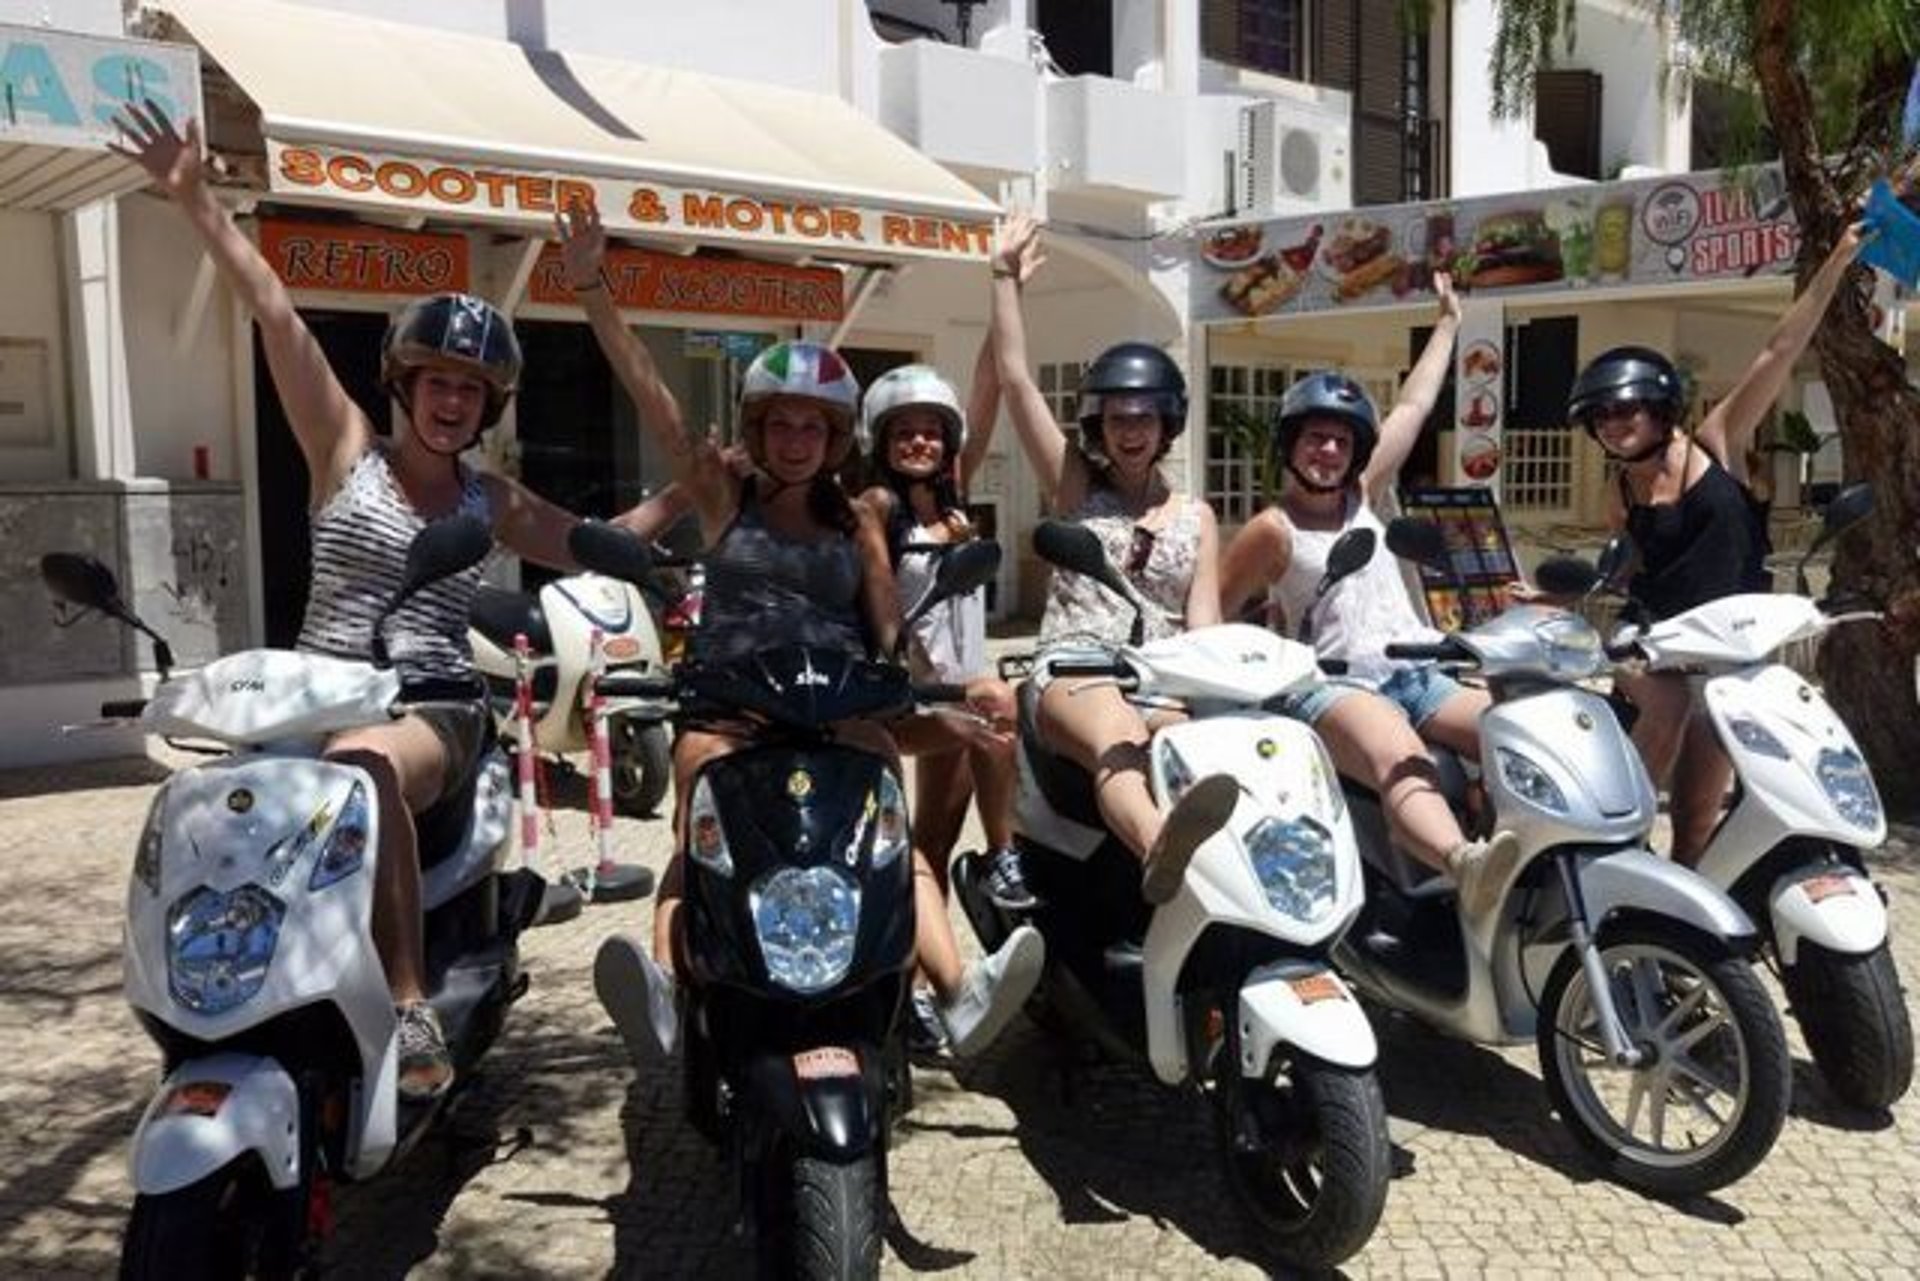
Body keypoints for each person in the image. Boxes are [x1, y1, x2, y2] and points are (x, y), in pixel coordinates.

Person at [111, 102, 687, 1101]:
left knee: (362, 773)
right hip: (308, 695)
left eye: (473, 386)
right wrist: (195, 197)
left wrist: (689, 495)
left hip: (430, 708)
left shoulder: (488, 499)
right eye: (436, 377)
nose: (452, 397)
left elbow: (596, 543)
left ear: (489, 406)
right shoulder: (344, 452)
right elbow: (275, 312)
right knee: (217, 813)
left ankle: (410, 1005)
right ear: (402, 381)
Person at [557, 201, 1045, 1062]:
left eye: (812, 425)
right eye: (780, 422)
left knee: (883, 824)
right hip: (728, 707)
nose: (794, 438)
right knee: (695, 823)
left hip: (832, 706)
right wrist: (594, 284)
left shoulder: (858, 513)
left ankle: (953, 990)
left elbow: (886, 623)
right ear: (758, 428)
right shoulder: (723, 497)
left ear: (834, 435)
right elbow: (652, 393)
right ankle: (669, 993)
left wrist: (918, 670)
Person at [1556, 222, 1869, 864]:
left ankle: (1677, 941)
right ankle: (1611, 852)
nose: (1615, 426)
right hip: (1658, 655)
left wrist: (1837, 258)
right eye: (1603, 417)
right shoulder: (1619, 493)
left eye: (1627, 410)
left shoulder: (1714, 447)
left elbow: (1780, 350)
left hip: (1733, 658)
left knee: (1698, 817)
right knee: (1665, 708)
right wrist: (1555, 596)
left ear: (1660, 407)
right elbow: (1621, 576)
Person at [1217, 275, 1520, 918]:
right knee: (1402, 755)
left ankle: (1538, 858)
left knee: (1514, 728)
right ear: (1290, 445)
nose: (1328, 451)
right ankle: (1465, 864)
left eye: (1342, 440)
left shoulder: (1363, 499)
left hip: (1418, 671)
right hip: (1337, 684)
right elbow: (1212, 608)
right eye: (1314, 438)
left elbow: (1412, 408)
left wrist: (1446, 323)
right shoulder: (1273, 529)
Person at [989, 213, 1240, 904]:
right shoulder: (1076, 486)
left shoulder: (1196, 516)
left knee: (1217, 742)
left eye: (1145, 418)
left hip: (1161, 678)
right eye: (1118, 418)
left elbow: (1206, 623)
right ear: (1098, 424)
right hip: (1075, 668)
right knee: (1121, 731)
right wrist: (1003, 278)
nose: (1131, 431)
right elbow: (1015, 381)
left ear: (1166, 425)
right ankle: (1163, 846)